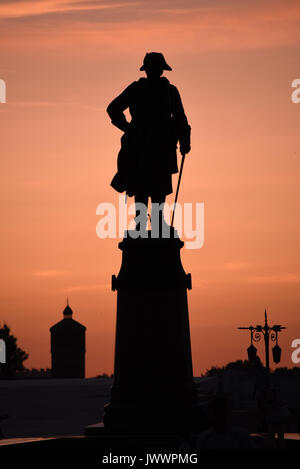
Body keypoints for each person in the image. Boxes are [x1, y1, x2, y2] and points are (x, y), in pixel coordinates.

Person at [107, 52, 191, 234]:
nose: (155, 71)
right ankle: (141, 225)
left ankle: (158, 224)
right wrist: (128, 129)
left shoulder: (170, 91)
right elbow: (112, 109)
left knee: (158, 187)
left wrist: (185, 140)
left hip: (161, 147)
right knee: (141, 186)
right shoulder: (137, 89)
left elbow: (181, 119)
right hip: (141, 147)